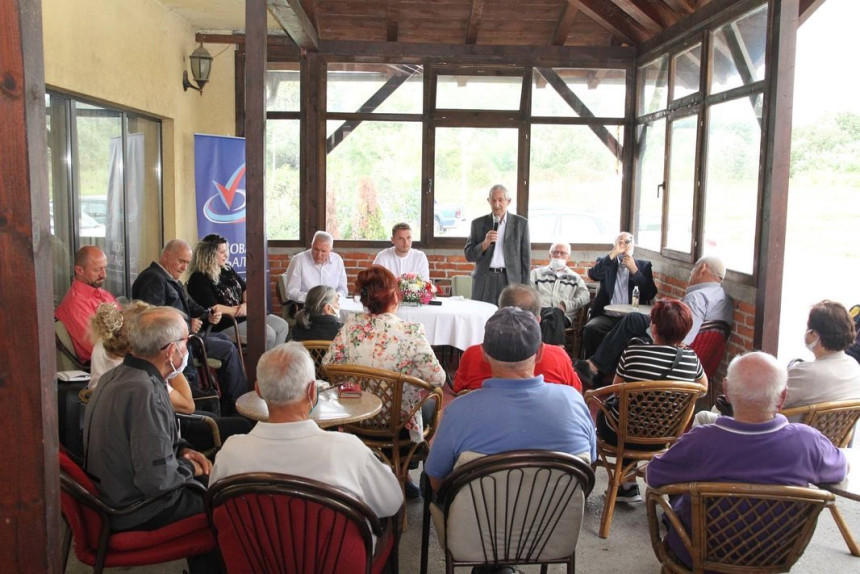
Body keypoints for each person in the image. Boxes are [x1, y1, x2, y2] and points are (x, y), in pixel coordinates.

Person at [647, 351, 847, 570]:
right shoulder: (808, 442)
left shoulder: (700, 441)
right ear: (782, 397)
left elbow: (653, 475)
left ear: (727, 391)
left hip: (696, 555)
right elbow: (840, 469)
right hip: (774, 556)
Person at [209, 342, 403, 547]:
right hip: (333, 564)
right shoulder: (349, 450)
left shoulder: (230, 452)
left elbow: (216, 511)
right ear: (313, 392)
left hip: (256, 561)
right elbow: (392, 501)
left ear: (258, 390)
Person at [82, 306, 221, 572]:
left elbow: (153, 441)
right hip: (134, 509)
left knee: (211, 482)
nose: (187, 349)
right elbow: (157, 481)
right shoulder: (146, 391)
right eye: (185, 342)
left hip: (112, 494)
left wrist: (185, 452)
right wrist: (191, 467)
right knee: (228, 505)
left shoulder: (119, 376)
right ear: (171, 351)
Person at [425, 306, 596, 491]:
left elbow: (436, 481)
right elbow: (589, 466)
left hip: (479, 517)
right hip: (556, 517)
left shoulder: (459, 411)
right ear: (539, 353)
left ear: (483, 353)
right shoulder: (574, 402)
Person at [88, 301, 252, 451]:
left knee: (215, 418)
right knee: (243, 425)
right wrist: (172, 365)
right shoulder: (144, 381)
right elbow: (187, 407)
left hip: (138, 436)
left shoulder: (107, 351)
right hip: (169, 429)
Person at [596, 298, 707, 503]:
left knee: (618, 414)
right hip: (665, 435)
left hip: (621, 434)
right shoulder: (691, 359)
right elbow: (703, 389)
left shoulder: (634, 351)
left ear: (653, 328)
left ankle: (627, 484)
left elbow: (617, 390)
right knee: (637, 417)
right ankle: (629, 484)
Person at [322, 265, 446, 445]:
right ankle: (408, 458)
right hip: (397, 424)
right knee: (432, 402)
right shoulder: (410, 332)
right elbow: (438, 379)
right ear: (396, 296)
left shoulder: (351, 327)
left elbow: (328, 364)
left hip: (356, 417)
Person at [576, 256, 731, 387]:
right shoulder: (721, 296)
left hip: (671, 343)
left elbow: (684, 335)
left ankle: (600, 371)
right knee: (632, 319)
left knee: (632, 333)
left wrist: (654, 330)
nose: (691, 272)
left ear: (702, 268)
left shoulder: (697, 298)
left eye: (694, 267)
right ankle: (597, 367)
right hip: (698, 352)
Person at [132, 239, 247, 413]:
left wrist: (208, 313)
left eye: (187, 262)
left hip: (184, 337)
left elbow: (191, 305)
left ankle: (228, 401)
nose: (184, 267)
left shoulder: (172, 279)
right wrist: (187, 324)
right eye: (181, 261)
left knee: (224, 339)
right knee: (227, 348)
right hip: (172, 344)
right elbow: (154, 322)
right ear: (166, 256)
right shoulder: (152, 279)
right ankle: (238, 403)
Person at [453, 284, 582, 393]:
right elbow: (576, 392)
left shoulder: (472, 354)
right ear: (538, 320)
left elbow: (458, 389)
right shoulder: (558, 356)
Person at [187, 233, 289, 350]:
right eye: (221, 252)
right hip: (225, 324)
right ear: (209, 255)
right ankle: (261, 366)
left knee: (282, 326)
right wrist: (239, 310)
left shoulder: (227, 269)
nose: (226, 255)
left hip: (245, 315)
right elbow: (214, 308)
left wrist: (246, 304)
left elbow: (245, 288)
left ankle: (273, 364)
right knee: (267, 334)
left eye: (226, 251)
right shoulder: (199, 278)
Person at [582, 232, 657, 360]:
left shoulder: (643, 266)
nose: (624, 245)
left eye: (627, 242)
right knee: (590, 329)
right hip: (608, 316)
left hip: (633, 318)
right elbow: (594, 275)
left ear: (633, 246)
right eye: (620, 242)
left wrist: (635, 271)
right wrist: (614, 253)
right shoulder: (606, 262)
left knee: (639, 337)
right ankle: (590, 370)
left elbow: (650, 293)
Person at [785, 300, 860, 409]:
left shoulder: (804, 373)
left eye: (808, 329)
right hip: (842, 426)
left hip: (800, 425)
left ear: (814, 335)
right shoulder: (855, 367)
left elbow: (764, 405)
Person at [464, 184, 531, 305]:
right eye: (493, 200)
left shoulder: (521, 224)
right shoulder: (477, 223)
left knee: (509, 318)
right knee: (482, 317)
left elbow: (525, 260)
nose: (496, 204)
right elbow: (469, 255)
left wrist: (525, 288)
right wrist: (484, 244)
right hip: (485, 279)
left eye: (500, 200)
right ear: (488, 201)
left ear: (508, 201)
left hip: (510, 279)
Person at [55, 245, 117, 363]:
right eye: (97, 269)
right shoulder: (75, 304)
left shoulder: (104, 294)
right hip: (105, 366)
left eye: (104, 268)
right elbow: (98, 348)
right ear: (79, 270)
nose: (104, 275)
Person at [529, 241, 590, 345]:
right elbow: (529, 293)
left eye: (562, 253)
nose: (558, 255)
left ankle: (543, 351)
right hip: (539, 312)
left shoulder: (575, 277)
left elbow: (585, 296)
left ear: (568, 257)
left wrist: (566, 305)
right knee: (552, 316)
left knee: (554, 314)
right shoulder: (536, 273)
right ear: (549, 255)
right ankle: (558, 349)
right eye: (555, 252)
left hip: (563, 316)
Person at [283, 231, 348, 304]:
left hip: (331, 306)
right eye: (316, 249)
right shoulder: (298, 260)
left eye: (323, 251)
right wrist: (316, 299)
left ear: (330, 250)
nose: (319, 255)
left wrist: (337, 296)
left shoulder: (337, 260)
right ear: (311, 245)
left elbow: (343, 289)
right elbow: (291, 292)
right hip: (306, 306)